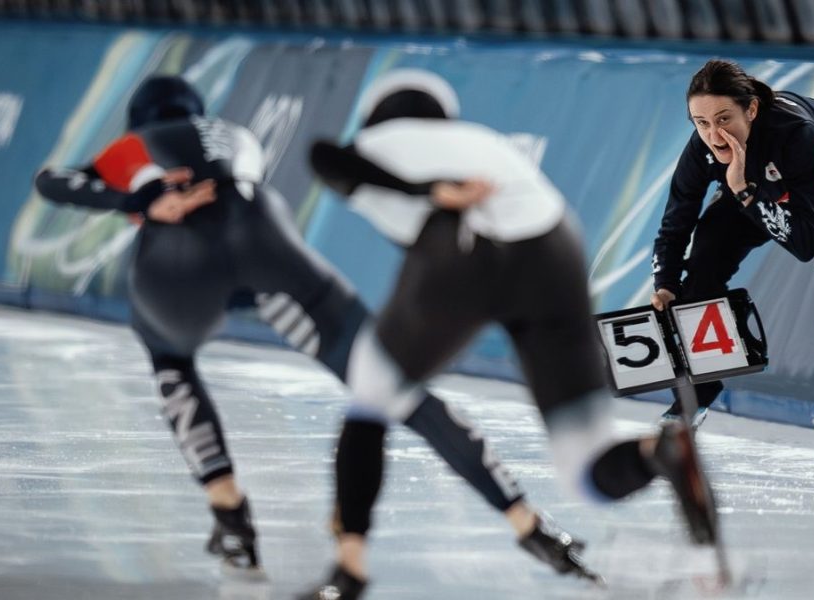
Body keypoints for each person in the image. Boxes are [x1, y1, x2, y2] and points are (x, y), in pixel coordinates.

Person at [33, 75, 596, 580]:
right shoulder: (231, 132)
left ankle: (230, 515)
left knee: (170, 358)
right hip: (266, 242)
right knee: (391, 386)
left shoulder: (131, 146)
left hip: (176, 268)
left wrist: (134, 197)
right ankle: (526, 521)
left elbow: (53, 182)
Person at [300, 68, 720, 599]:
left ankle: (350, 569)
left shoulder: (376, 142)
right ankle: (658, 452)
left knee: (369, 403)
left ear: (378, 114)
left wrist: (428, 191)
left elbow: (323, 158)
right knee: (586, 468)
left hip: (458, 255)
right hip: (553, 247)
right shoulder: (483, 141)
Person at [650, 59, 814, 447]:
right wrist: (666, 285)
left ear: (752, 109)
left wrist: (743, 192)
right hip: (754, 185)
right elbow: (676, 221)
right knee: (704, 259)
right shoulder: (701, 149)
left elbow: (806, 243)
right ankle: (698, 393)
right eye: (701, 122)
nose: (714, 134)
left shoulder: (796, 131)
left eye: (724, 119)